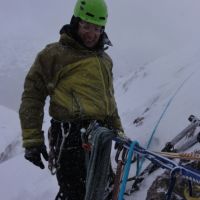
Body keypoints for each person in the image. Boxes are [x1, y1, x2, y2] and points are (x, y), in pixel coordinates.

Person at [19, 0, 124, 199]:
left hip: (100, 135)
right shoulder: (54, 55)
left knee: (105, 190)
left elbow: (108, 100)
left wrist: (118, 130)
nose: (91, 33)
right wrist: (32, 138)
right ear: (76, 22)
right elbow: (33, 95)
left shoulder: (104, 60)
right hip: (70, 138)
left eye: (97, 28)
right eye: (86, 26)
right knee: (76, 194)